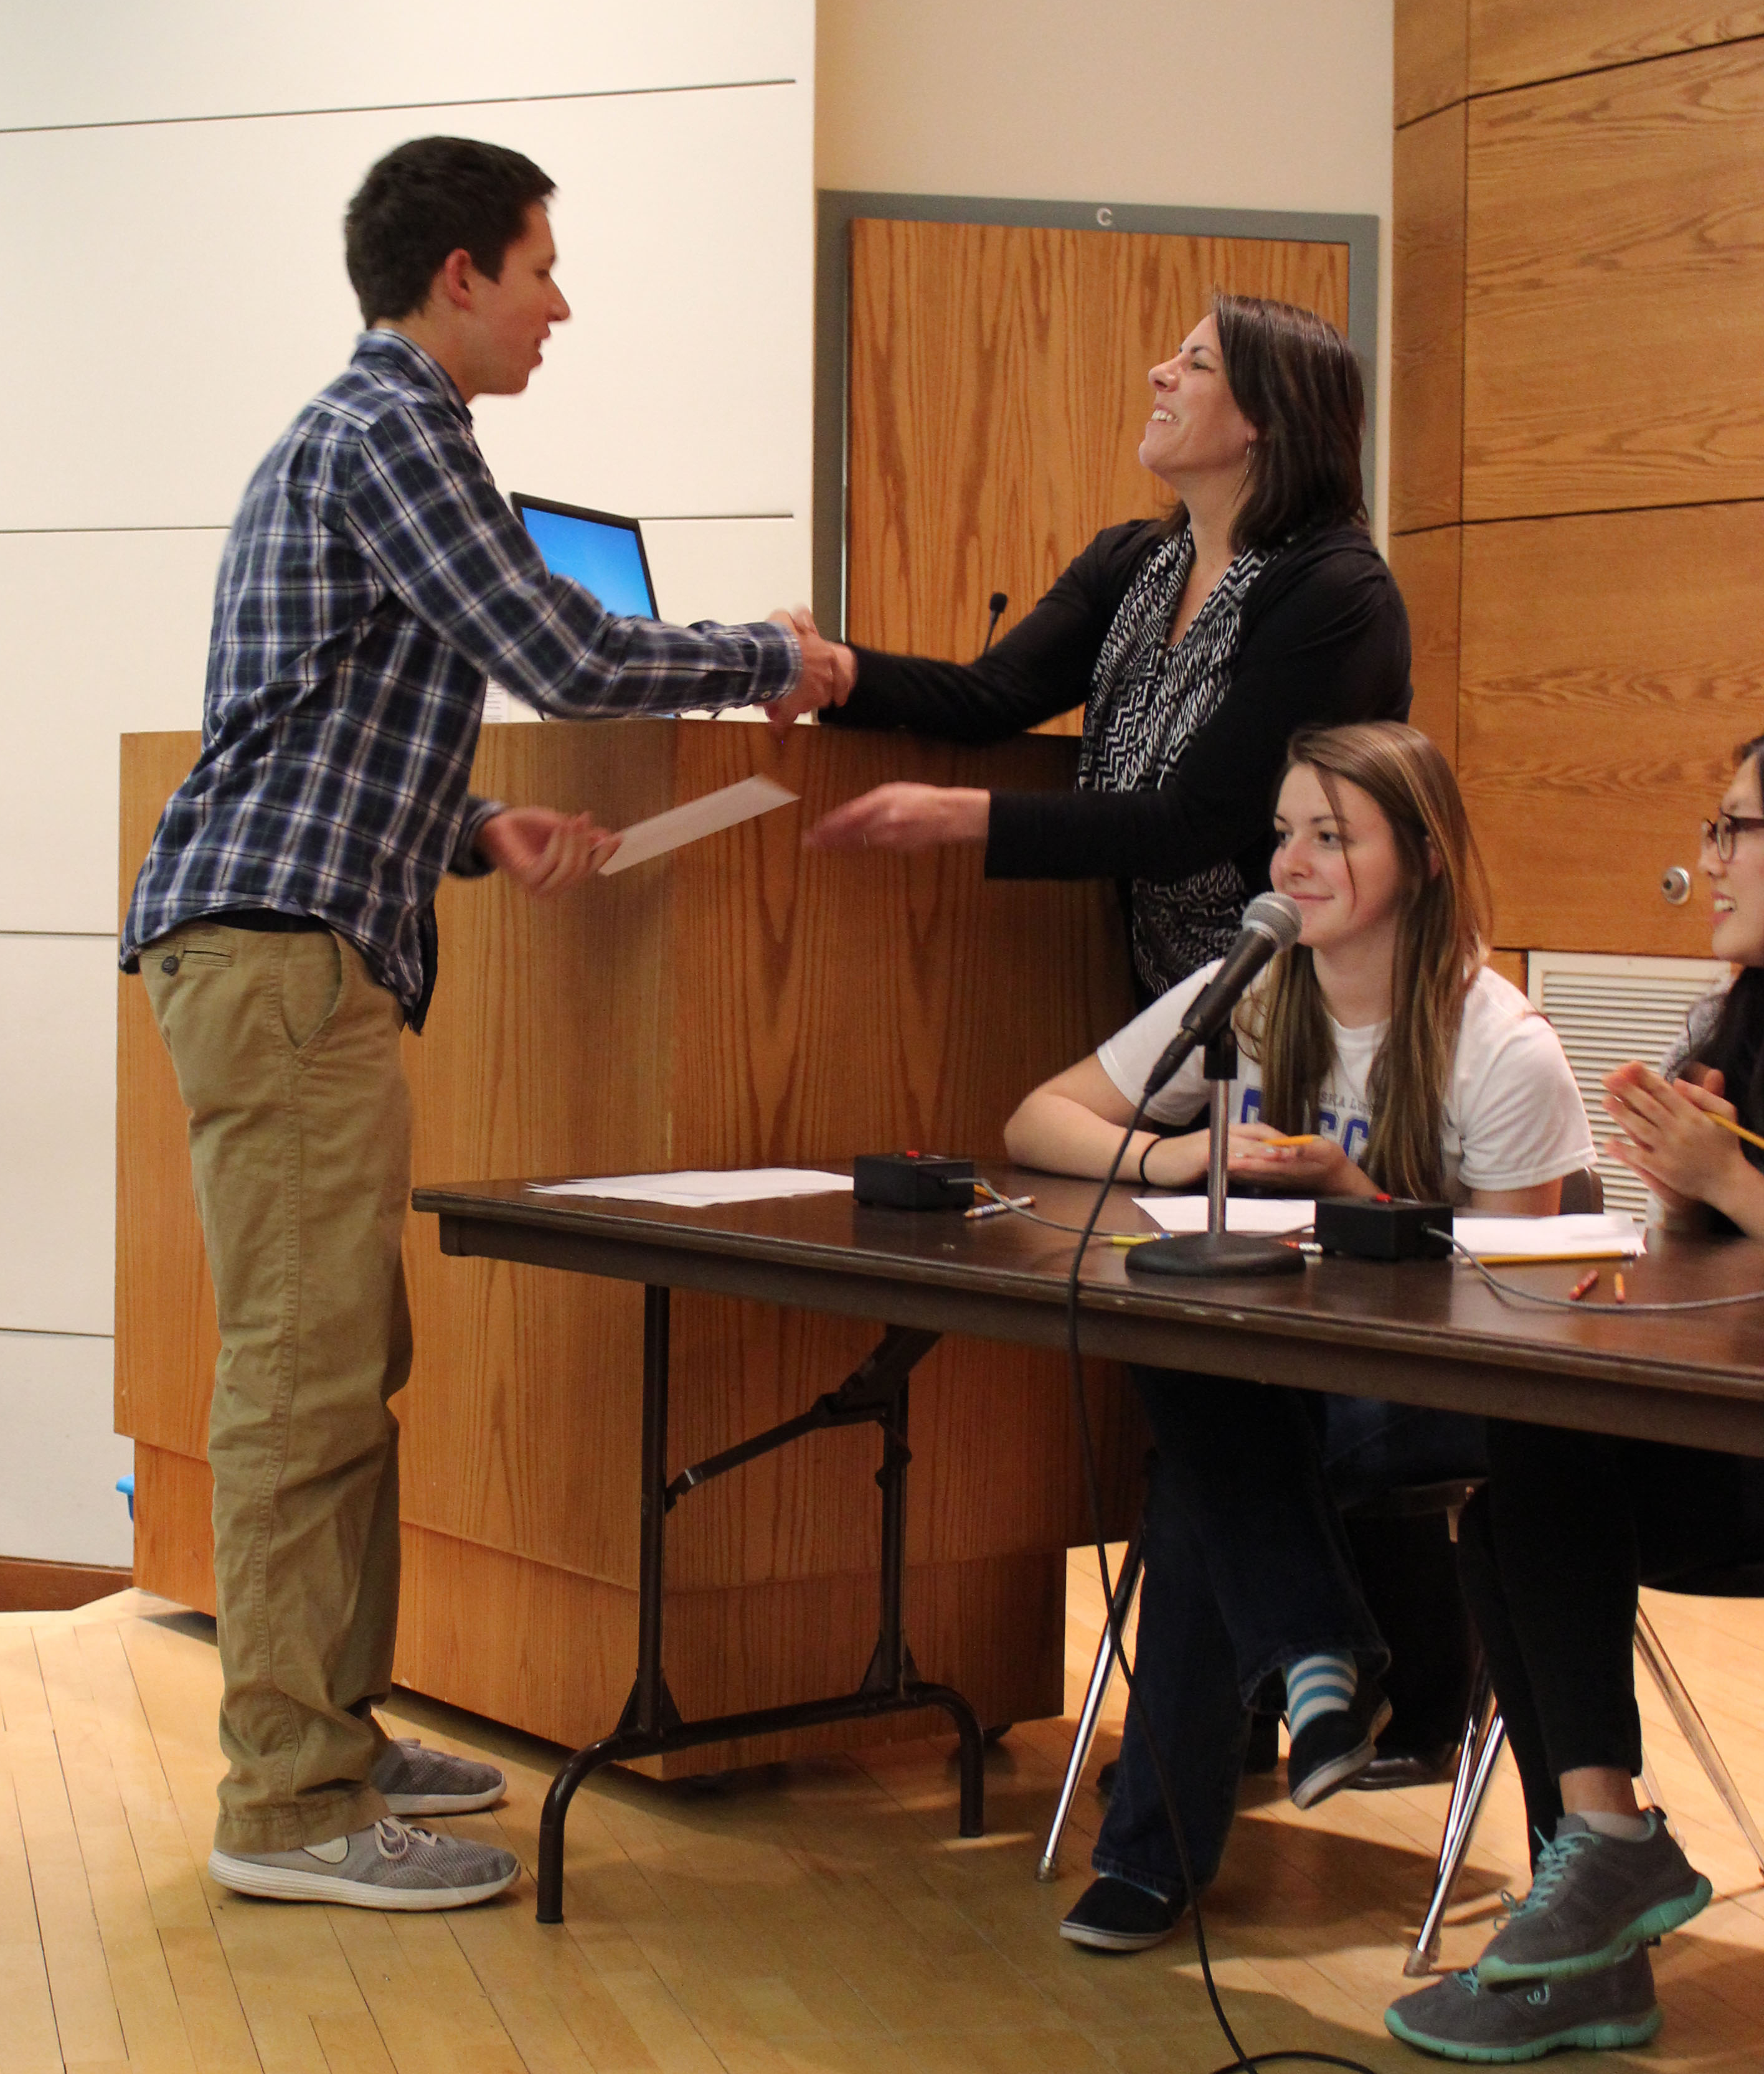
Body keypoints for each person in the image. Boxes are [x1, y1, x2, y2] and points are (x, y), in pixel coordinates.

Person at [121, 136, 829, 1911]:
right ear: (458, 275)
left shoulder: (368, 435)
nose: (559, 301)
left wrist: (473, 826)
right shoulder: (396, 430)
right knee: (301, 1384)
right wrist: (776, 658)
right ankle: (284, 1801)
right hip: (283, 966)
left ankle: (332, 1738)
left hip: (297, 945)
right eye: (540, 266)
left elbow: (309, 718)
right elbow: (568, 655)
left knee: (344, 1368)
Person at [1002, 722, 1595, 1952]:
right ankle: (1318, 1656)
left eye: (1334, 836)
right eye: (1285, 834)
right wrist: (1189, 1151)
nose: (1297, 863)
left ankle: (1158, 1857)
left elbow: (1517, 1302)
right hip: (1291, 1384)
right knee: (1191, 1361)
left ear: (1422, 861)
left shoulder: (1502, 1045)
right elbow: (1041, 1119)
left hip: (1447, 1392)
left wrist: (1358, 1202)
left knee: (1203, 1479)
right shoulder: (1256, 987)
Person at [1385, 735, 1764, 2062]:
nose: (1710, 858)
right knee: (1518, 1475)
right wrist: (1678, 1192)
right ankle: (1597, 1905)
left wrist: (1736, 1187)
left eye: (1736, 828)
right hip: (1732, 1450)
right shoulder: (1742, 1017)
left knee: (1536, 1460)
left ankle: (1599, 1869)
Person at [778, 295, 1411, 1001]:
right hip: (1168, 988)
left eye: (1195, 363)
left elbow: (1195, 823)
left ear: (1266, 417)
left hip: (1316, 998)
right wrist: (836, 672)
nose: (1158, 373)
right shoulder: (1130, 562)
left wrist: (960, 816)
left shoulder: (1335, 593)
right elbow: (994, 696)